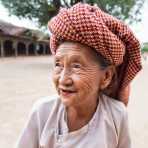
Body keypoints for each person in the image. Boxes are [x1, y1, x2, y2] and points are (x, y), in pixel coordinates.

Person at [16, 2, 142, 148]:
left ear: (106, 76)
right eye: (58, 65)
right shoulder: (42, 112)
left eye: (77, 66)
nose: (63, 79)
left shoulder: (117, 115)